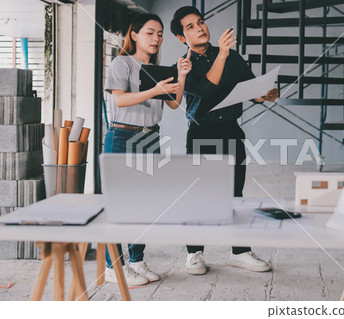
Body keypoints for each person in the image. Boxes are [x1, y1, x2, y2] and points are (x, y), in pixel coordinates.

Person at [170, 6, 278, 275]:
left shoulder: (230, 55)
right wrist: (224, 53)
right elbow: (207, 88)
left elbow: (249, 87)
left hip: (231, 130)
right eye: (191, 27)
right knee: (199, 195)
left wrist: (264, 94)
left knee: (235, 194)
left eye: (201, 22)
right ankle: (195, 253)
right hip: (201, 133)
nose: (200, 28)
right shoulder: (184, 65)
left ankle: (239, 251)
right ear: (182, 38)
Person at [103, 13, 191, 286]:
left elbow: (174, 105)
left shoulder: (159, 69)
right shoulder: (122, 63)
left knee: (144, 205)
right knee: (120, 205)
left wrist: (182, 76)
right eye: (150, 33)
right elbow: (120, 98)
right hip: (123, 136)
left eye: (160, 34)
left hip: (150, 138)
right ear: (134, 34)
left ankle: (136, 261)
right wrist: (154, 90)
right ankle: (112, 268)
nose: (156, 38)